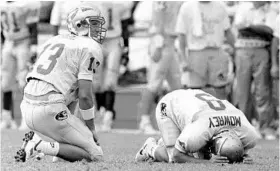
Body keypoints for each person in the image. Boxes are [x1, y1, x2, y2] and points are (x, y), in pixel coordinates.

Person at [14, 5, 107, 162]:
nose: (99, 28)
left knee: (71, 88)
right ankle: (38, 145)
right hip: (49, 107)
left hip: (28, 106)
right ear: (79, 26)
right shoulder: (89, 46)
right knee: (95, 154)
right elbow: (85, 96)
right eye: (94, 23)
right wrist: (91, 128)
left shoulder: (55, 40)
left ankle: (57, 150)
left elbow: (72, 92)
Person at [135, 89, 260, 164]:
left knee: (198, 149)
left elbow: (238, 148)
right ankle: (149, 148)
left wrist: (241, 156)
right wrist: (207, 163)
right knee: (173, 157)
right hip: (170, 104)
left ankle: (170, 140)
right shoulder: (200, 131)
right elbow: (178, 156)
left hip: (197, 106)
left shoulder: (249, 135)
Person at [85, 1, 133, 131]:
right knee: (96, 81)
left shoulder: (121, 3)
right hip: (96, 41)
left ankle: (108, 113)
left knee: (111, 80)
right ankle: (100, 111)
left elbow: (125, 25)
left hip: (114, 41)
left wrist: (126, 47)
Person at [233, 1, 277, 140]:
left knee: (263, 90)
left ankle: (266, 127)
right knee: (242, 91)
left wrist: (250, 27)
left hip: (262, 51)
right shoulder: (243, 6)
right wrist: (260, 29)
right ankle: (242, 127)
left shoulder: (271, 11)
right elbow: (240, 28)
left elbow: (270, 31)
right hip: (242, 51)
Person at [137, 1, 183, 135]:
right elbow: (158, 20)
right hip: (162, 43)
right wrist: (158, 43)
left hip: (170, 43)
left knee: (177, 86)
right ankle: (144, 121)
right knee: (154, 84)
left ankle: (177, 122)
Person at [176, 1, 235, 100]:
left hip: (217, 51)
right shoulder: (187, 7)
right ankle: (196, 114)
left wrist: (235, 49)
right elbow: (181, 34)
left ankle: (223, 113)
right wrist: (183, 59)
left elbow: (227, 30)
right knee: (195, 91)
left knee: (221, 88)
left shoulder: (220, 5)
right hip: (196, 52)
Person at [0, 1, 40, 130]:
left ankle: (25, 119)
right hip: (8, 42)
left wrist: (33, 45)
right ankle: (7, 118)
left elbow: (33, 25)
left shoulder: (26, 3)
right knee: (6, 81)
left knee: (24, 80)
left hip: (23, 42)